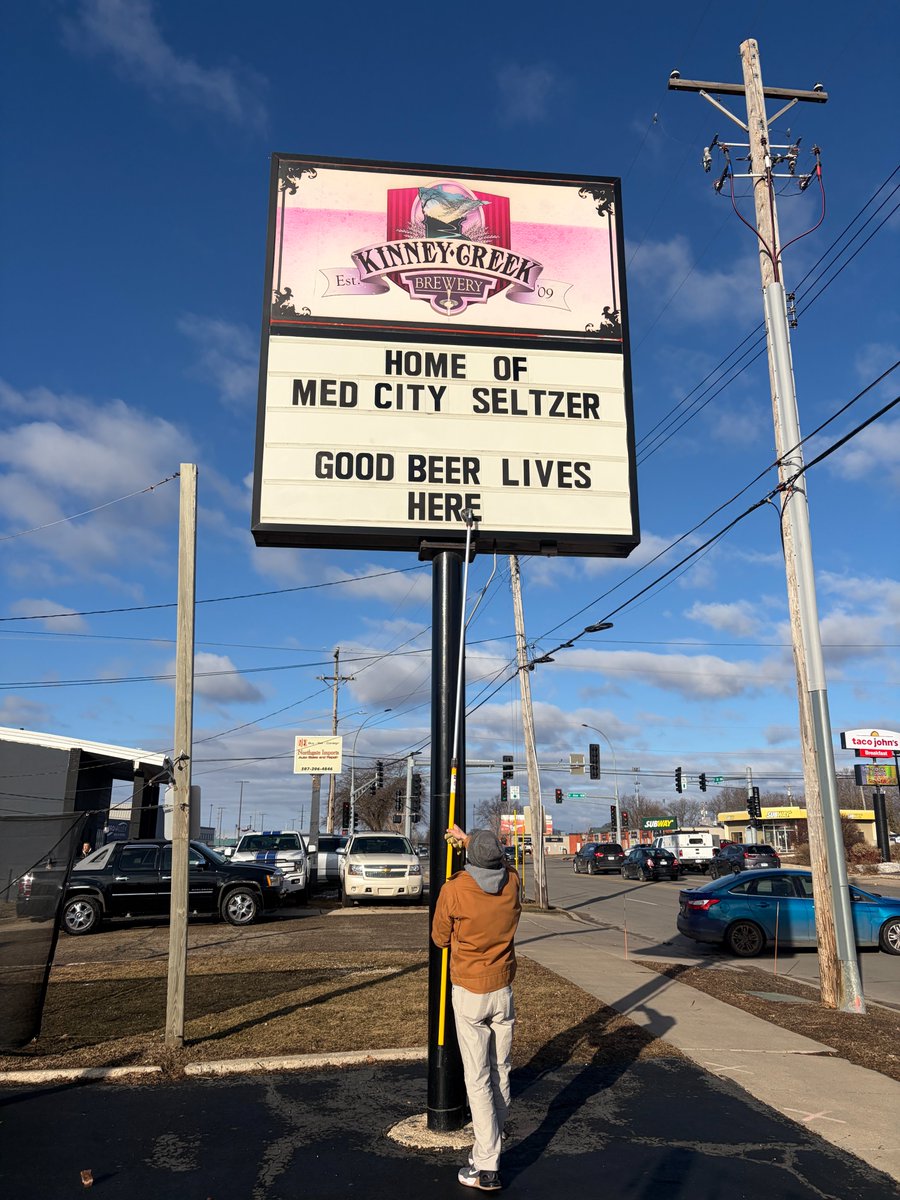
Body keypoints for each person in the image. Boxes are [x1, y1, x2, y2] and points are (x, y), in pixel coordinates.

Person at [431, 823, 521, 1193]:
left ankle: (486, 1166)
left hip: (470, 992)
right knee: (501, 1070)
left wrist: (468, 845)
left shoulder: (454, 890)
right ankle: (492, 1141)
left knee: (479, 1079)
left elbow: (439, 938)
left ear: (470, 858)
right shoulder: (513, 882)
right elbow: (500, 861)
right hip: (503, 990)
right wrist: (469, 840)